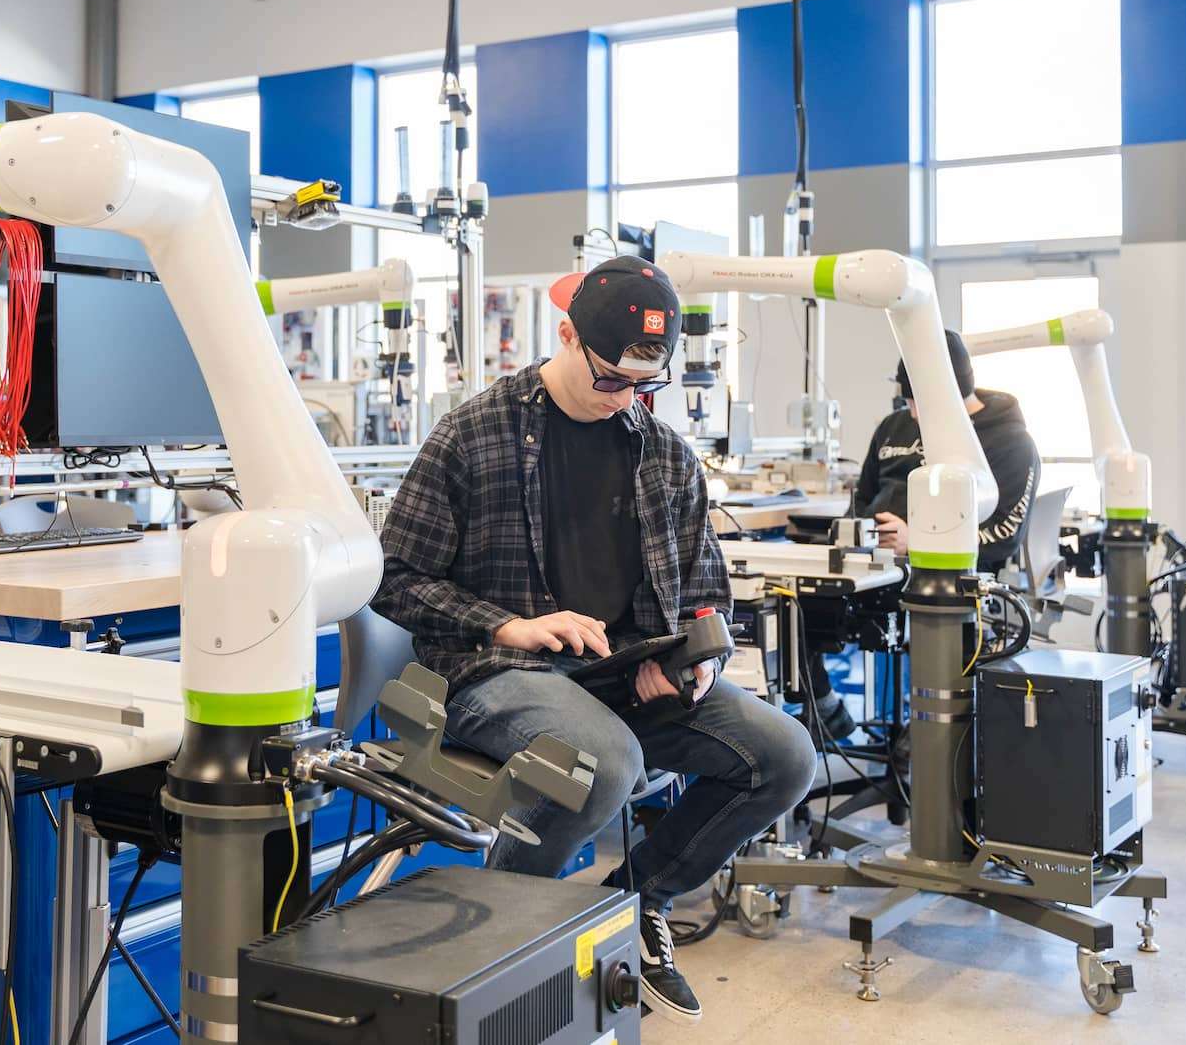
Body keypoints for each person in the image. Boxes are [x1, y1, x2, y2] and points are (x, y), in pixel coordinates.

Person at [373, 256, 816, 1025]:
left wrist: (692, 663)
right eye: (613, 379)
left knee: (786, 757)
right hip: (497, 671)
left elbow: (705, 592)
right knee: (601, 765)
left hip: (624, 680)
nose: (628, 401)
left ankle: (636, 900)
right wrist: (509, 624)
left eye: (648, 386)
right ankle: (506, 940)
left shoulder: (666, 453)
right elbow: (392, 577)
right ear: (567, 335)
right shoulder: (475, 434)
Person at [804, 330, 1040, 741]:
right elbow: (862, 498)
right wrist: (855, 533)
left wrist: (919, 541)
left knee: (934, 633)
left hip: (948, 584)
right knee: (791, 605)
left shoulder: (1009, 440)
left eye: (917, 401)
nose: (911, 412)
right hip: (870, 567)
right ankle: (825, 709)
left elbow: (1005, 535)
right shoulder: (893, 426)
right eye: (907, 400)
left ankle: (929, 744)